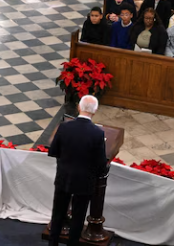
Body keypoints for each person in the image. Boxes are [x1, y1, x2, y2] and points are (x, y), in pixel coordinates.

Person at [48, 95, 107, 246]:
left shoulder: (64, 127)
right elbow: (101, 163)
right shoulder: (97, 134)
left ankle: (53, 243)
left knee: (58, 215)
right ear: (95, 111)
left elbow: (53, 151)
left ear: (79, 107)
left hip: (64, 177)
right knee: (78, 218)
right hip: (84, 182)